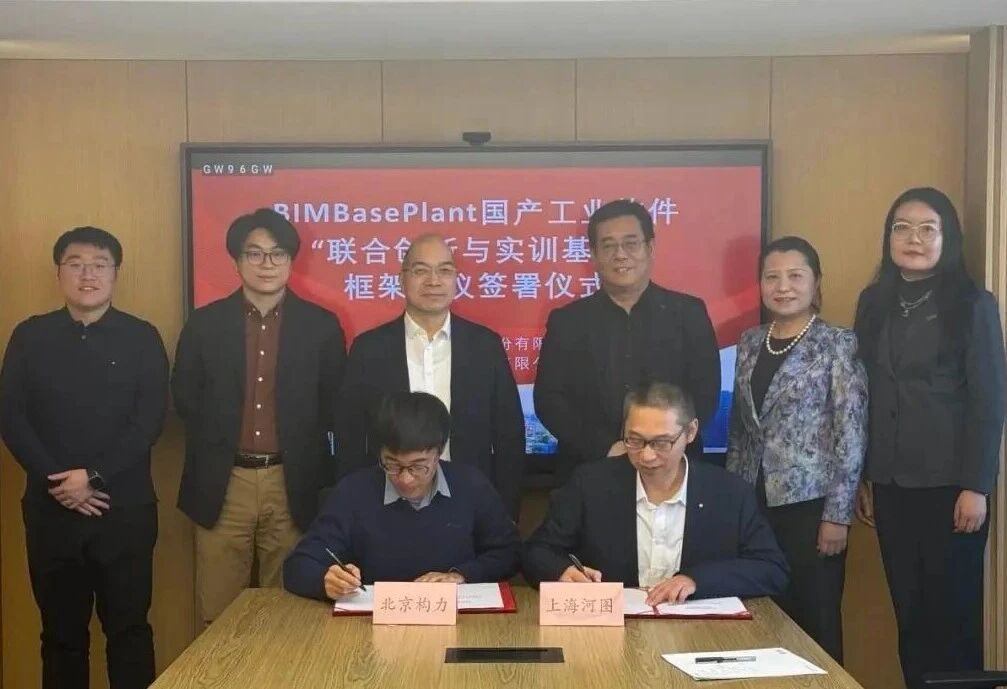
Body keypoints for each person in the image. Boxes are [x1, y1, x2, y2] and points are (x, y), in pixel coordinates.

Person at [0, 227, 168, 689]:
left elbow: (149, 421)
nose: (87, 274)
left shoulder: (142, 337)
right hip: (51, 510)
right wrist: (61, 483)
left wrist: (94, 476)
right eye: (75, 264)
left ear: (116, 273)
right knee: (61, 635)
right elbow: (11, 417)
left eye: (99, 264)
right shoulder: (30, 335)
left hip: (124, 510)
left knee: (129, 630)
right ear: (59, 273)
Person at [853, 188, 1006, 689]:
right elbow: (864, 394)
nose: (913, 239)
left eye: (927, 229)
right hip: (891, 485)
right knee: (910, 618)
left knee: (953, 621)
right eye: (901, 227)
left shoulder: (972, 305)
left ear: (947, 238)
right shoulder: (873, 303)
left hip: (951, 489)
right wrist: (865, 476)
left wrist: (976, 485)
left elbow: (988, 400)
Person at [172, 208, 346, 624]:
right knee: (218, 613)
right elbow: (185, 397)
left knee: (289, 610)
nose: (266, 263)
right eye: (255, 253)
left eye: (277, 253)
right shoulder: (204, 324)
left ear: (291, 261)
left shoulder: (321, 326)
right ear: (236, 261)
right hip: (224, 480)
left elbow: (334, 403)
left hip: (292, 481)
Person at [725, 236, 867, 662]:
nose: (783, 286)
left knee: (815, 618)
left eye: (795, 276)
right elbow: (741, 430)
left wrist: (837, 516)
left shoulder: (836, 342)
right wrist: (732, 503)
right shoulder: (751, 341)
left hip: (811, 507)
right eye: (772, 277)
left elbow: (851, 432)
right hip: (754, 503)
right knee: (761, 617)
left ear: (816, 281)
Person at [523, 382, 788, 605]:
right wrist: (562, 571)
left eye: (661, 443)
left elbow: (772, 569)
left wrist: (696, 580)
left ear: (691, 432)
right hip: (615, 630)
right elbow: (537, 552)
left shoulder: (728, 492)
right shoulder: (591, 484)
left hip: (700, 633)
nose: (647, 456)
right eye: (635, 440)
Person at [336, 233, 525, 517]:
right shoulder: (369, 348)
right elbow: (349, 436)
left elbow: (509, 436)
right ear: (402, 279)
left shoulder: (485, 346)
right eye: (421, 270)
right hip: (386, 500)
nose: (433, 281)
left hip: (468, 502)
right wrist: (353, 509)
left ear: (456, 279)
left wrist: (506, 511)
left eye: (444, 270)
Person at [535, 199, 721, 484]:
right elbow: (549, 400)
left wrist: (659, 446)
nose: (620, 255)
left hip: (673, 471)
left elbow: (705, 394)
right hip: (591, 470)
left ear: (650, 248)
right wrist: (606, 447)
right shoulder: (568, 321)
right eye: (608, 246)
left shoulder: (688, 314)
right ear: (593, 255)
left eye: (631, 244)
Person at [284, 391, 521, 599]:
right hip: (372, 623)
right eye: (393, 464)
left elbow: (509, 553)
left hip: (457, 620)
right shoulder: (353, 492)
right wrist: (324, 580)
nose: (405, 479)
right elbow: (299, 565)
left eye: (418, 466)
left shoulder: (471, 486)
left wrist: (462, 575)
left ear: (439, 453)